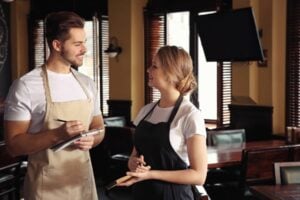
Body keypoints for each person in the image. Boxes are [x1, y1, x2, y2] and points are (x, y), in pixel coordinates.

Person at [4, 11, 105, 200]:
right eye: (77, 44)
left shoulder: (87, 83)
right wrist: (57, 134)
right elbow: (13, 145)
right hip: (45, 189)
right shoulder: (26, 86)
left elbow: (99, 127)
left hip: (84, 186)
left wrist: (93, 139)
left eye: (84, 42)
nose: (84, 49)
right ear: (57, 45)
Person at [119, 45, 208, 199]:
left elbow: (199, 176)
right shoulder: (146, 111)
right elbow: (134, 155)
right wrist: (133, 163)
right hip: (143, 193)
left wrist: (151, 174)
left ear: (171, 73)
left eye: (154, 66)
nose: (148, 70)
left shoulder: (190, 115)